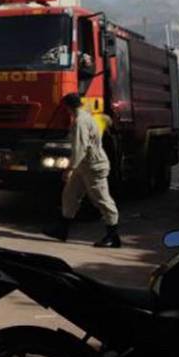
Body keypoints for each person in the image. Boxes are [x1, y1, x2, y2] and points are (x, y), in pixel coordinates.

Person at [47, 91, 120, 248]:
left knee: (102, 200)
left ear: (68, 107)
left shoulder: (80, 121)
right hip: (84, 166)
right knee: (69, 196)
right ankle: (62, 230)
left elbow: (80, 147)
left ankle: (113, 236)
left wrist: (69, 169)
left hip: (93, 166)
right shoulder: (85, 116)